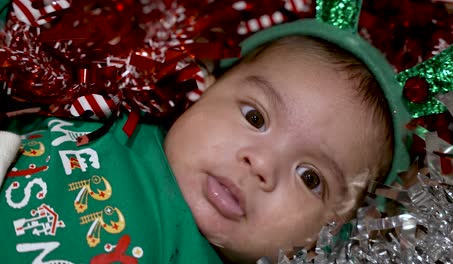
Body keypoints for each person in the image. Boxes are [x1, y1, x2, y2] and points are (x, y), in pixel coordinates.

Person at [0, 18, 410, 263]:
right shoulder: (110, 108)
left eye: (310, 178)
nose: (262, 165)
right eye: (255, 117)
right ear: (204, 87)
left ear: (331, 235)